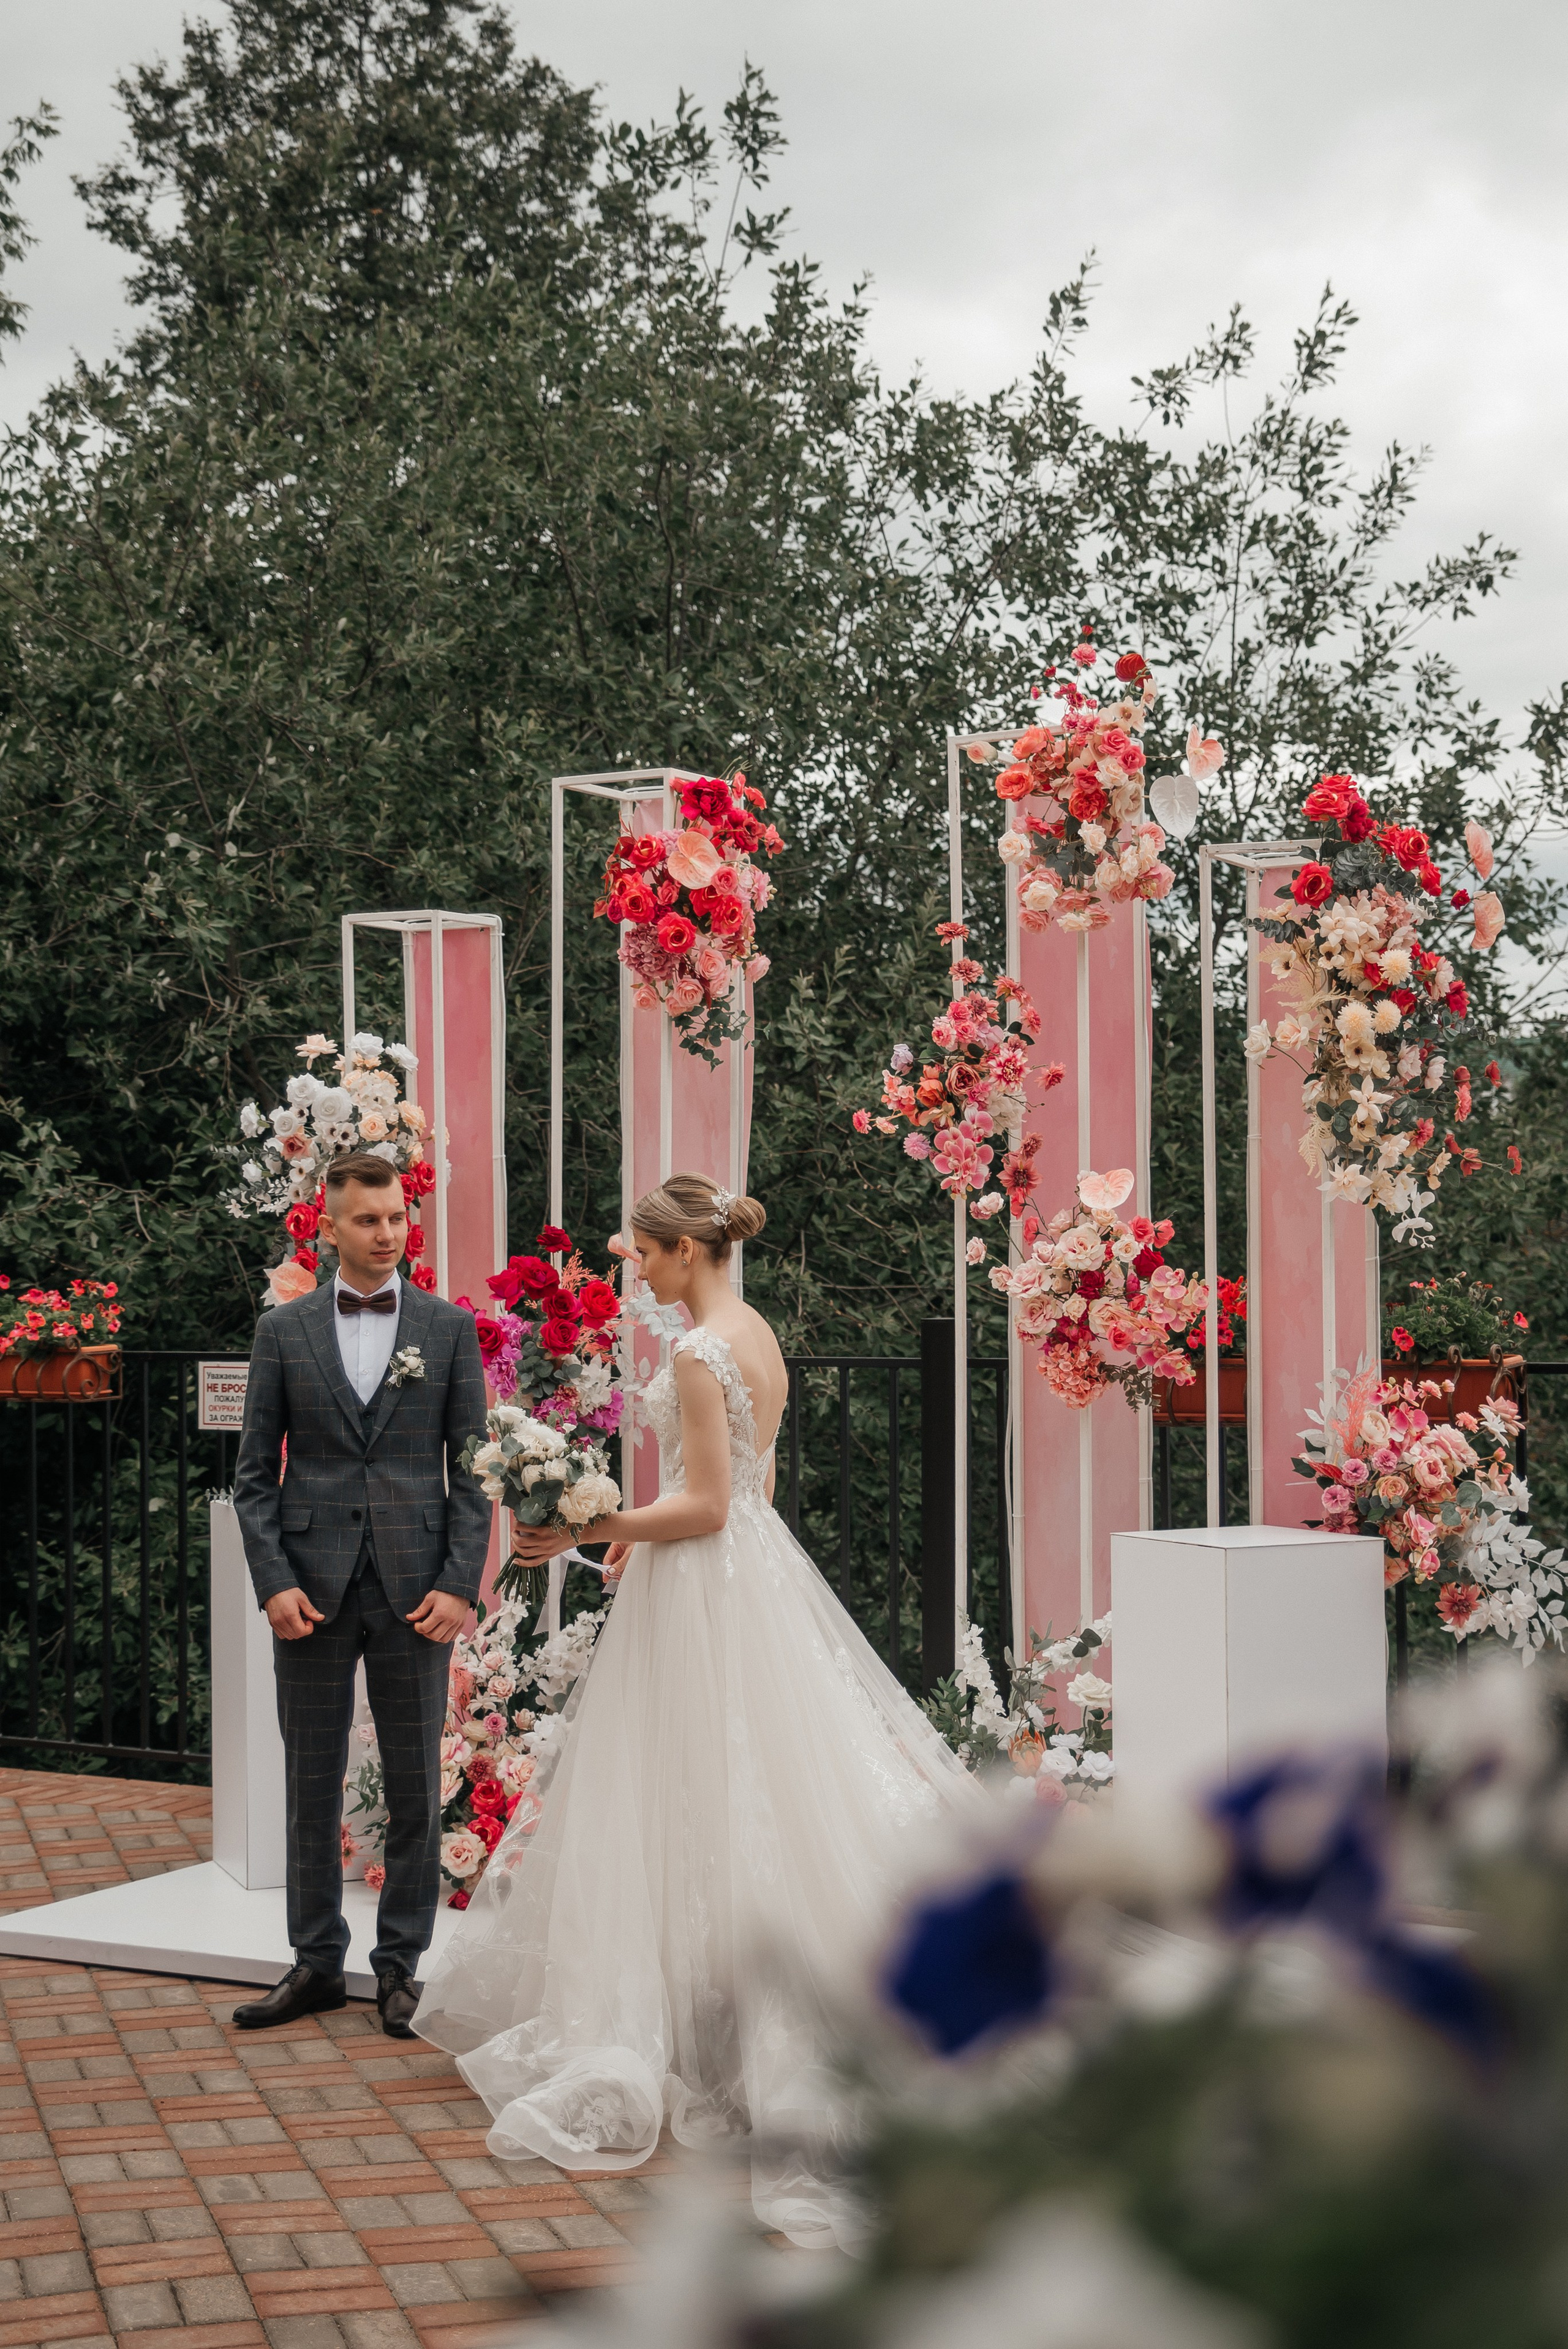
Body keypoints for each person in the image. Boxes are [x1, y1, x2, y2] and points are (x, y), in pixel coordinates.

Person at [413, 1172, 976, 2245]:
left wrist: (593, 1521)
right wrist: (627, 1531)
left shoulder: (693, 1351)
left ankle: (723, 2033)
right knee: (747, 1791)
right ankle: (726, 2011)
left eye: (644, 1254)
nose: (640, 1272)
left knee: (693, 1788)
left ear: (683, 1251)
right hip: (743, 1578)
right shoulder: (752, 1332)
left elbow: (712, 1503)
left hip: (709, 1589)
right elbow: (739, 1491)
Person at [232, 1151, 489, 2038]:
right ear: (329, 1225)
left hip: (420, 1591)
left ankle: (399, 1970)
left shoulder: (448, 1329)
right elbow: (254, 1475)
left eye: (396, 1218)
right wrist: (274, 1584)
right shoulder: (284, 1332)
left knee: (417, 1787)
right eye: (368, 1221)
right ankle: (312, 1964)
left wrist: (461, 1585)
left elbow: (477, 1474)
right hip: (311, 1588)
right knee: (311, 1781)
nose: (387, 1234)